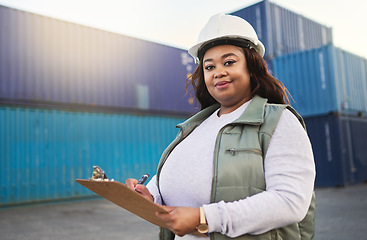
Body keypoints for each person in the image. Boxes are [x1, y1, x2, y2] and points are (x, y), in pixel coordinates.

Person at [126, 13, 315, 240]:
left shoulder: (279, 121)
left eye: (229, 62)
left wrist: (204, 217)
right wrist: (151, 196)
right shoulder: (195, 126)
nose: (218, 72)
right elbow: (176, 181)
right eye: (209, 67)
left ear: (252, 67)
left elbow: (290, 201)